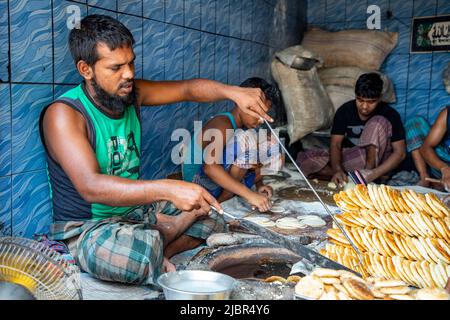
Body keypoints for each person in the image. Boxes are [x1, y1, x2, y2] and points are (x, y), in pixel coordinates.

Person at [38, 15, 272, 286]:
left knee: (212, 217)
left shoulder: (131, 94)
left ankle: (160, 247)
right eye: (116, 68)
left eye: (131, 63)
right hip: (88, 229)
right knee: (131, 256)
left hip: (133, 212)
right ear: (85, 69)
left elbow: (187, 89)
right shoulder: (64, 114)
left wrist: (233, 93)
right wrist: (168, 189)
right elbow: (91, 186)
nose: (128, 74)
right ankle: (159, 239)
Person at [182, 77, 284, 212]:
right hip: (198, 184)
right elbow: (210, 168)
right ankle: (222, 202)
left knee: (272, 148)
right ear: (241, 102)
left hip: (217, 180)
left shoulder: (245, 128)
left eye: (265, 113)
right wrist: (250, 195)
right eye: (259, 112)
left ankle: (234, 193)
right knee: (248, 141)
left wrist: (259, 184)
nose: (261, 119)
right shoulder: (222, 124)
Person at [296, 73, 406, 186]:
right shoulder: (345, 111)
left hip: (380, 161)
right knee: (306, 159)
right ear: (355, 95)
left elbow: (400, 153)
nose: (364, 106)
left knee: (377, 122)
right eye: (360, 100)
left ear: (379, 99)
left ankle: (368, 177)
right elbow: (335, 145)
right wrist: (338, 170)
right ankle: (352, 177)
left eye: (371, 102)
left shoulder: (390, 115)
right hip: (356, 157)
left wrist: (374, 173)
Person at [405, 106, 450, 190]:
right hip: (444, 162)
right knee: (414, 123)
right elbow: (425, 148)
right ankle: (425, 178)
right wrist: (444, 169)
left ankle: (440, 184)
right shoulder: (447, 114)